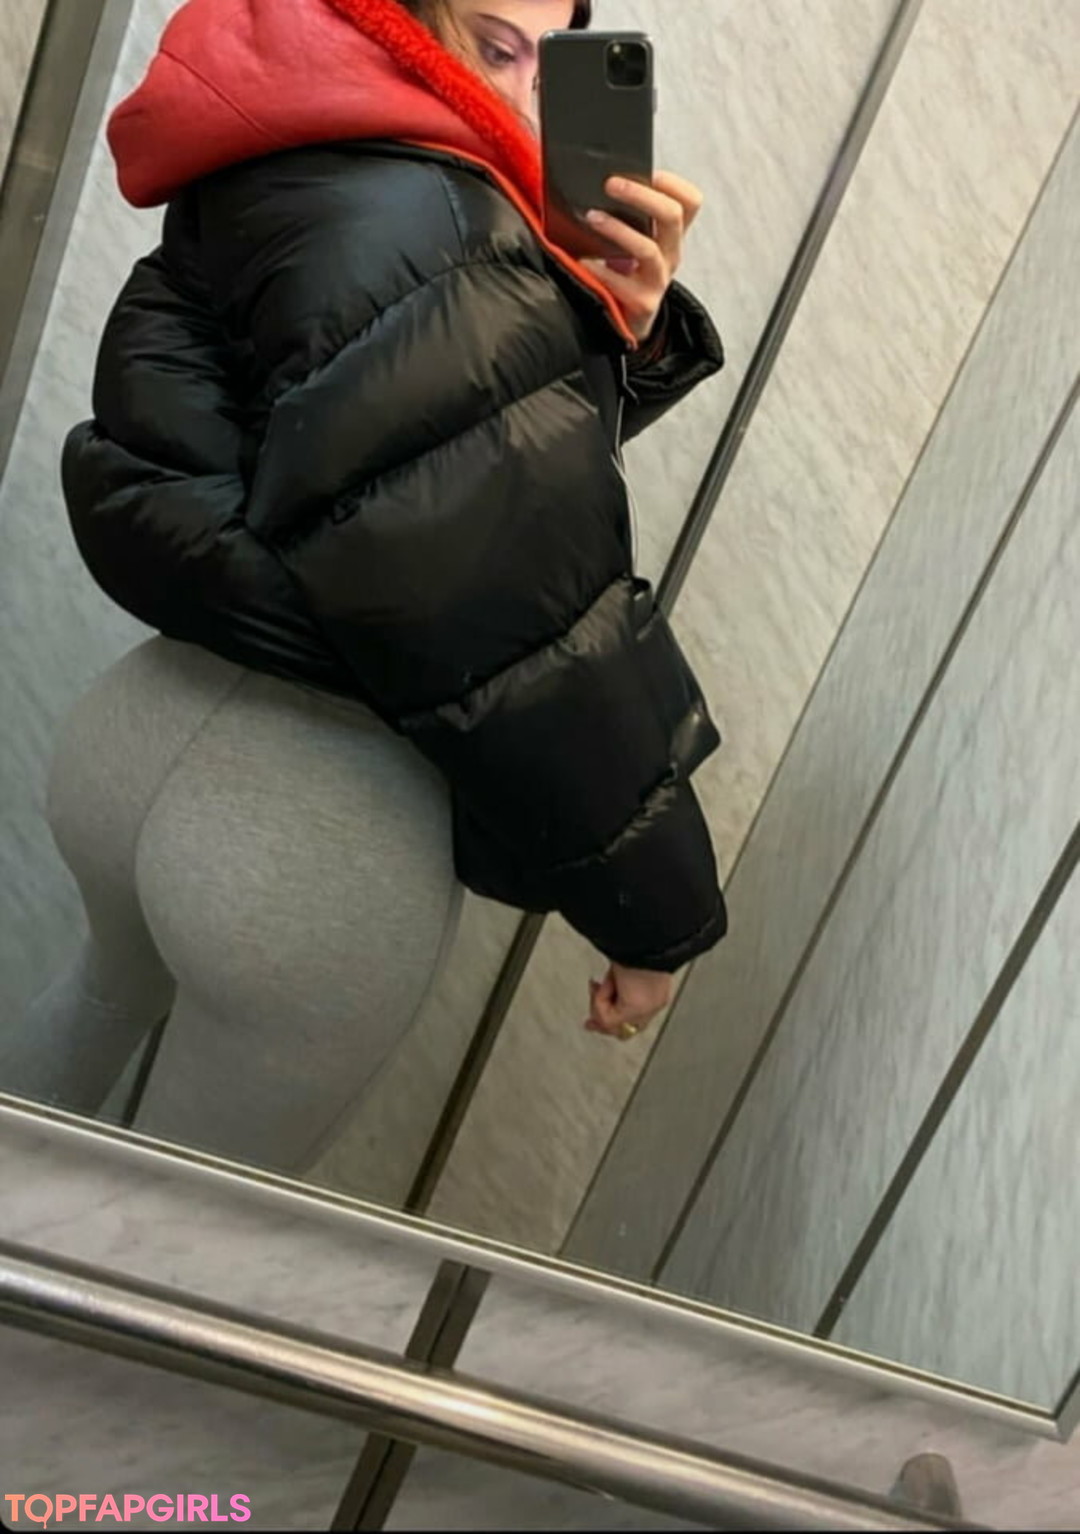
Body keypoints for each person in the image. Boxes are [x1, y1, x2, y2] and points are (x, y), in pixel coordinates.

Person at [2, 0, 727, 1173]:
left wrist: (599, 334)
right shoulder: (433, 209)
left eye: (547, 68)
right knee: (186, 1227)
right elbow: (504, 600)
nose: (522, 99)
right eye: (495, 46)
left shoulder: (287, 128)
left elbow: (400, 462)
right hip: (305, 828)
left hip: (143, 734)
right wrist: (660, 917)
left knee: (86, 1018)